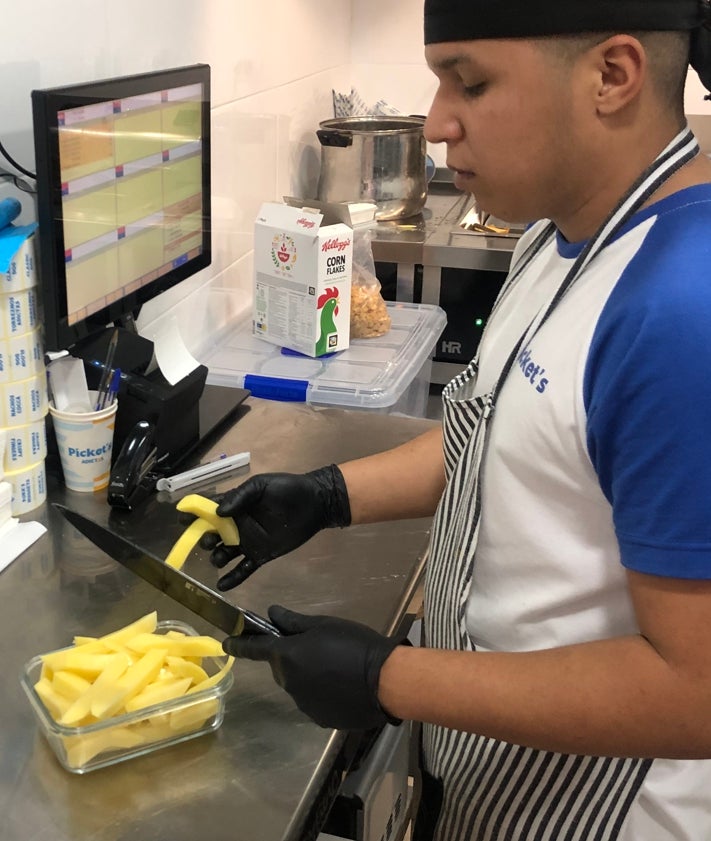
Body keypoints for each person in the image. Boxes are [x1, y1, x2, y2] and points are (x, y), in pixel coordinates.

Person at [212, 2, 711, 838]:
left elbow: (693, 687)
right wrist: (330, 495)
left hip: (602, 813)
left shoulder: (679, 309)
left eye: (469, 83)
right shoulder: (555, 234)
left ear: (611, 76)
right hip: (499, 771)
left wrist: (387, 678)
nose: (438, 121)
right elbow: (488, 433)